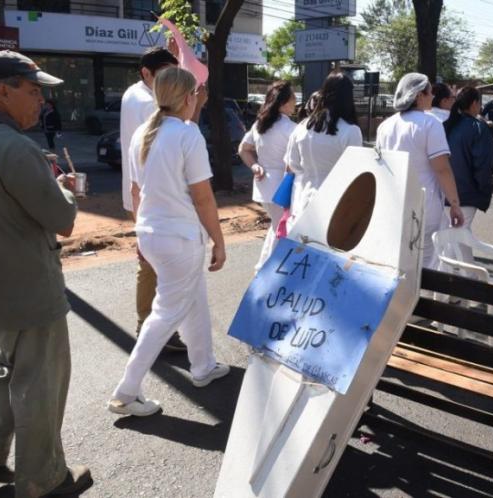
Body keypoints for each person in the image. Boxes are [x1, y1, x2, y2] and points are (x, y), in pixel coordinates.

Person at [0, 50, 91, 496]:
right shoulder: (16, 148)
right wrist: (65, 191)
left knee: (11, 369)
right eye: (33, 91)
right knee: (40, 385)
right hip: (28, 290)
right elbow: (61, 219)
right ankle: (42, 480)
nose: (40, 101)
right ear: (2, 92)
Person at [108, 67, 229, 417]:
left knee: (192, 298)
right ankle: (126, 391)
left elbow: (135, 191)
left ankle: (203, 366)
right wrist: (219, 242)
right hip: (178, 237)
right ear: (189, 97)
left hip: (153, 233)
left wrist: (142, 232)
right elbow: (203, 197)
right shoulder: (187, 134)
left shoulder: (143, 134)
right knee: (165, 313)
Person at [120, 47, 187, 351]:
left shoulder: (135, 93)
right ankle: (150, 329)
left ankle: (153, 327)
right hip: (152, 196)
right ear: (146, 74)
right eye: (165, 75)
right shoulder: (147, 102)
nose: (170, 83)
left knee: (151, 262)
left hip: (144, 193)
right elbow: (175, 131)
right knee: (153, 265)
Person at [376, 72, 464, 268]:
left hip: (394, 202)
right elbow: (442, 169)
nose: (433, 97)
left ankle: (397, 298)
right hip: (424, 204)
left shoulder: (385, 126)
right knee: (424, 262)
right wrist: (455, 204)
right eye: (430, 92)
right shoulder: (430, 123)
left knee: (396, 259)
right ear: (418, 96)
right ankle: (418, 298)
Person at [285, 72, 363, 227]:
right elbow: (356, 173)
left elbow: (292, 165)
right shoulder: (351, 131)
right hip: (336, 205)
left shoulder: (301, 127)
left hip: (303, 201)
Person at [238, 80, 297, 271]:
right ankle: (267, 270)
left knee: (276, 227)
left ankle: (263, 268)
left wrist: (254, 165)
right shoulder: (292, 129)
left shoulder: (259, 125)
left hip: (265, 186)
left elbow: (243, 149)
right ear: (284, 102)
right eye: (293, 97)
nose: (296, 101)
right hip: (285, 185)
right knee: (281, 230)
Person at [442, 86, 493, 260]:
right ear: (474, 104)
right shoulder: (477, 128)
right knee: (455, 242)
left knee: (460, 237)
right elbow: (484, 165)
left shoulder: (448, 125)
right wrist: (483, 190)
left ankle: (471, 278)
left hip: (443, 192)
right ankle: (439, 283)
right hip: (466, 193)